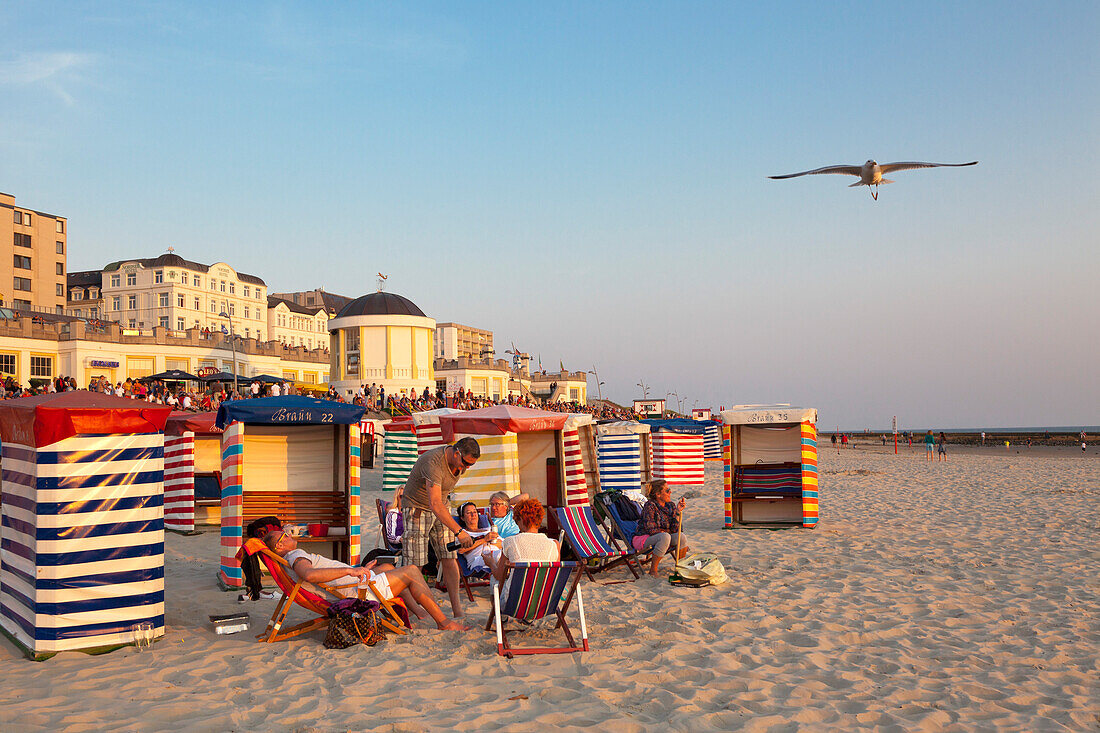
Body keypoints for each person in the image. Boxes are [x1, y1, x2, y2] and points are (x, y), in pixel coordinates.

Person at [263, 529, 466, 631]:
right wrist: (351, 572)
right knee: (412, 571)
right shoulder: (295, 556)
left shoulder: (290, 558)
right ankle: (444, 622)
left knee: (386, 567)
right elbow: (310, 575)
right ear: (279, 546)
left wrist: (357, 570)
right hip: (355, 592)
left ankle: (420, 612)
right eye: (284, 535)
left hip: (353, 584)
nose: (289, 535)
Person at [400, 437, 481, 618]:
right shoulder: (433, 462)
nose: (466, 468)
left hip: (441, 507)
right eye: (466, 463)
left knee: (449, 557)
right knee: (415, 564)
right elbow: (434, 503)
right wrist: (459, 531)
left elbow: (440, 502)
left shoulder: (460, 464)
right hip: (417, 508)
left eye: (471, 465)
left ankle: (457, 609)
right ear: (456, 452)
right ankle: (414, 610)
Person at [483, 498, 559, 586]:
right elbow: (554, 576)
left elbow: (500, 576)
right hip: (545, 596)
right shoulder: (554, 544)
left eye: (516, 521)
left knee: (494, 580)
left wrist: (491, 563)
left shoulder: (509, 542)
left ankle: (495, 600)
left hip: (517, 597)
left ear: (521, 520)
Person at [637, 480, 690, 576]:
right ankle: (653, 570)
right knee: (665, 537)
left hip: (663, 537)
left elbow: (675, 529)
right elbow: (650, 528)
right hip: (644, 538)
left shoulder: (671, 506)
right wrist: (666, 532)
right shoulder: (650, 505)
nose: (670, 492)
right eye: (667, 490)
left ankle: (680, 568)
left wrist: (678, 512)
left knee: (681, 536)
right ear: (658, 494)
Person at [457, 501, 501, 574]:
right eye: (468, 513)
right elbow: (461, 550)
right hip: (478, 560)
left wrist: (489, 543)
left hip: (494, 554)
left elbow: (502, 543)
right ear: (462, 518)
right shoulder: (462, 533)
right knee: (501, 555)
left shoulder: (488, 529)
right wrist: (484, 540)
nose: (473, 515)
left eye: (475, 512)